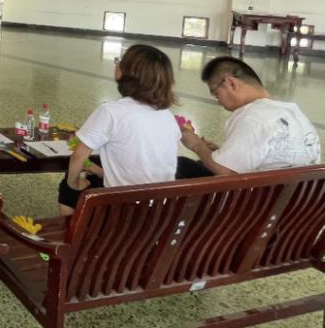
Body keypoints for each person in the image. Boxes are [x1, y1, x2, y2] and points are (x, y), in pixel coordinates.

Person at [59, 44, 181, 215]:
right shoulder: (167, 115)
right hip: (159, 210)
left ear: (129, 72)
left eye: (120, 61)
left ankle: (71, 230)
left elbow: (78, 156)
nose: (116, 63)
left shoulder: (111, 111)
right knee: (94, 172)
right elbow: (142, 165)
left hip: (121, 210)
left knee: (69, 184)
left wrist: (73, 185)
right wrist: (99, 171)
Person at [178, 56, 320, 178]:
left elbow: (228, 173)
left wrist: (196, 145)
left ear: (231, 83)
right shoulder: (294, 113)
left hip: (259, 198)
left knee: (181, 165)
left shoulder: (252, 117)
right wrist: (219, 151)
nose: (218, 101)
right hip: (297, 196)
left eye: (216, 94)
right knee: (203, 162)